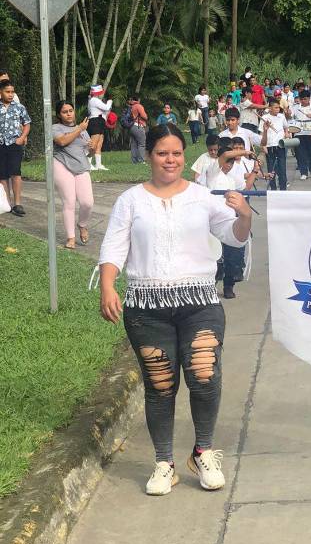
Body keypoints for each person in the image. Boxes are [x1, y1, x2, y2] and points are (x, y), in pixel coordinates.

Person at [98, 123, 252, 496]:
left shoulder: (202, 197)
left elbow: (233, 236)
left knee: (203, 375)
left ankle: (203, 451)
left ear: (186, 156)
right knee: (160, 384)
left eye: (177, 153)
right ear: (150, 155)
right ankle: (164, 462)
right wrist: (107, 286)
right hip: (147, 307)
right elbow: (114, 247)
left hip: (200, 303)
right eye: (163, 153)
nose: (171, 160)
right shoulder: (131, 200)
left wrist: (244, 213)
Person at [201, 139, 258, 299]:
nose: (229, 165)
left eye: (232, 163)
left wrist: (254, 171)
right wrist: (245, 152)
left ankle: (229, 286)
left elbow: (246, 189)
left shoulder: (231, 179)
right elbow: (225, 153)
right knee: (215, 259)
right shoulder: (212, 171)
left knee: (233, 258)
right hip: (213, 224)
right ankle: (209, 289)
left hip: (230, 223)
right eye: (227, 162)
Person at [52, 100, 95, 248]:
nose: (69, 114)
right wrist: (80, 129)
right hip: (61, 164)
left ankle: (82, 224)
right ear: (59, 114)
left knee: (87, 202)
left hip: (81, 166)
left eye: (71, 110)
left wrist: (92, 148)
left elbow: (89, 153)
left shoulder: (82, 129)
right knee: (69, 202)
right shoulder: (55, 127)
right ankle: (70, 238)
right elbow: (62, 141)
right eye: (65, 112)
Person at [0, 79, 31, 216]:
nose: (11, 94)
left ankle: (17, 204)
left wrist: (22, 138)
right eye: (8, 92)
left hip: (14, 144)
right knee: (2, 175)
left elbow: (27, 123)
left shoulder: (19, 107)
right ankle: (6, 203)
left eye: (12, 92)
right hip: (1, 144)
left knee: (15, 173)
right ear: (1, 92)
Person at [291, 90, 311, 179]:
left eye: (305, 99)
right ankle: (303, 172)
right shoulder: (295, 107)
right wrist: (288, 113)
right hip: (299, 133)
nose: (304, 101)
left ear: (309, 98)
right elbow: (290, 117)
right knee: (300, 153)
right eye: (302, 99)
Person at [260, 97, 289, 191]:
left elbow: (286, 127)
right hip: (269, 146)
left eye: (278, 107)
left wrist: (287, 134)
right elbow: (261, 133)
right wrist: (263, 146)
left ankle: (283, 190)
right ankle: (273, 190)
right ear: (270, 108)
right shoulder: (264, 118)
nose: (278, 109)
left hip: (280, 146)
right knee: (271, 170)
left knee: (282, 169)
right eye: (275, 107)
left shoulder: (282, 116)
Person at [87, 84, 112, 172]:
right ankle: (88, 164)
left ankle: (98, 164)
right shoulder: (94, 100)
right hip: (95, 121)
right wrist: (110, 101)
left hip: (100, 121)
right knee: (93, 144)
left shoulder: (96, 100)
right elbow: (107, 107)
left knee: (99, 144)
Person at [127, 94, 148, 164]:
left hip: (131, 127)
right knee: (141, 144)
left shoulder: (130, 106)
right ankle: (141, 160)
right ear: (138, 99)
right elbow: (144, 116)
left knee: (134, 144)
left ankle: (134, 161)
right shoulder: (138, 106)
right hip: (138, 126)